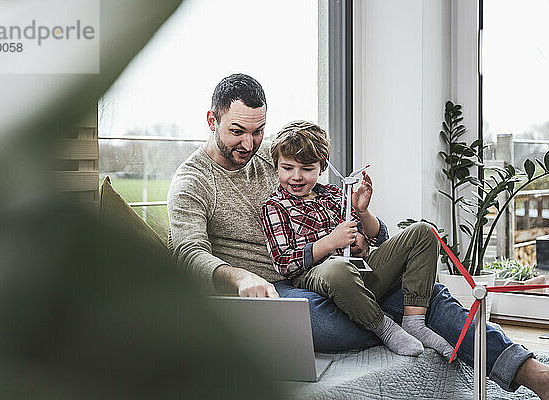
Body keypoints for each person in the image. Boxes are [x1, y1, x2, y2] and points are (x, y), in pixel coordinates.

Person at [167, 73, 549, 397]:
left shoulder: (274, 156)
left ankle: (533, 374)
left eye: (257, 131)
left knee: (425, 293)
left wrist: (361, 219)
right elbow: (188, 253)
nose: (249, 145)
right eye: (237, 132)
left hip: (330, 267)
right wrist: (240, 276)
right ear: (211, 120)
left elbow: (333, 201)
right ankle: (410, 320)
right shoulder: (192, 181)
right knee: (346, 316)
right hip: (275, 287)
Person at [261, 120, 454, 358]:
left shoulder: (334, 194)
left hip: (360, 273)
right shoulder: (274, 206)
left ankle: (415, 323)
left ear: (322, 167)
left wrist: (362, 214)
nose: (297, 177)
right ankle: (384, 327)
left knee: (424, 232)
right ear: (276, 167)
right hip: (319, 277)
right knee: (338, 269)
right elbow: (284, 262)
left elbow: (379, 238)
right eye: (288, 168)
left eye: (307, 168)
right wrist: (331, 242)